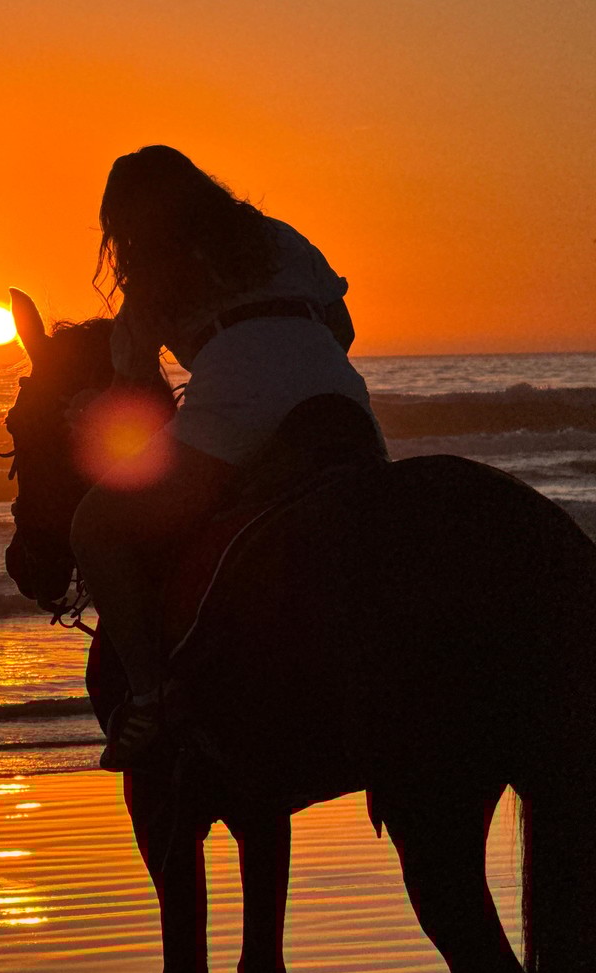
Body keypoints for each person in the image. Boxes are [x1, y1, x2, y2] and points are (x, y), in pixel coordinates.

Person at [70, 145, 383, 771]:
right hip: (340, 394)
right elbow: (343, 329)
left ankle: (154, 698)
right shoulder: (281, 237)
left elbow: (133, 385)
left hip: (238, 404)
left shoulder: (157, 265)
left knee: (94, 527)